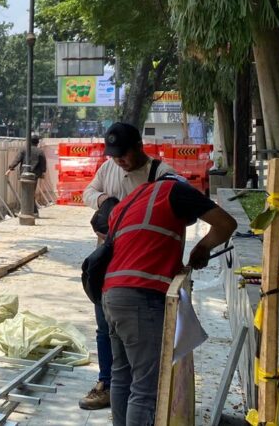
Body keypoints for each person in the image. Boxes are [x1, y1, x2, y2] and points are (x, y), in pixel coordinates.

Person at [102, 173, 236, 425]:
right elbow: (226, 224)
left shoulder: (129, 201)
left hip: (111, 294)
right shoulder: (176, 191)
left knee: (122, 376)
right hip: (141, 296)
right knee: (145, 388)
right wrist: (203, 247)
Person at [78, 121, 175, 411]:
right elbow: (88, 192)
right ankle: (106, 382)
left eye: (124, 154)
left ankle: (140, 389)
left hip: (142, 267)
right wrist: (104, 200)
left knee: (138, 336)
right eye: (114, 155)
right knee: (104, 327)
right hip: (107, 264)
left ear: (139, 148)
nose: (119, 161)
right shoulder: (109, 169)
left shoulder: (162, 176)